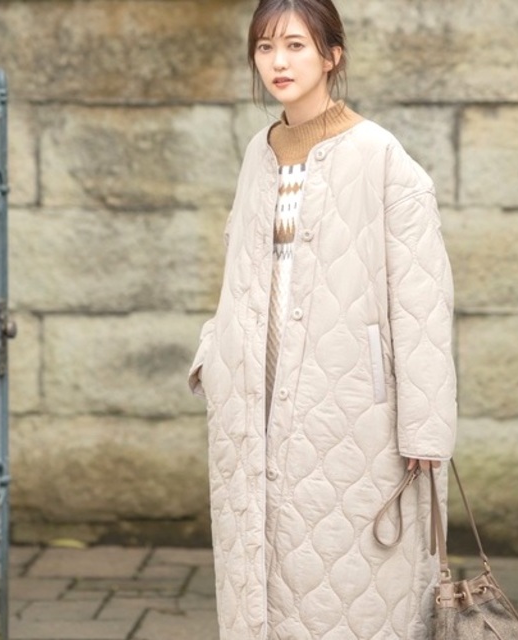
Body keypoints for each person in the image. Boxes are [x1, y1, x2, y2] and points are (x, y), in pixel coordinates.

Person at [188, 0, 457, 637]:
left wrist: (425, 432)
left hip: (351, 409)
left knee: (349, 590)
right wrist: (213, 357)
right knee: (262, 573)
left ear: (332, 56)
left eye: (295, 46)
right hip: (252, 404)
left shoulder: (381, 156)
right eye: (264, 47)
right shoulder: (259, 152)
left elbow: (422, 300)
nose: (277, 62)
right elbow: (238, 269)